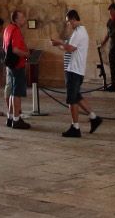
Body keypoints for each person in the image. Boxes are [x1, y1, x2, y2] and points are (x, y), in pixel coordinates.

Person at [48, 9, 102, 138]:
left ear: (73, 19)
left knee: (72, 99)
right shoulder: (78, 32)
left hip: (74, 70)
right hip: (73, 69)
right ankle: (94, 118)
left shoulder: (79, 32)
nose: (68, 25)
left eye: (68, 22)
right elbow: (69, 48)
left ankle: (75, 127)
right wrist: (59, 44)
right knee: (76, 96)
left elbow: (70, 48)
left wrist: (59, 42)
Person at [2, 10, 31, 128]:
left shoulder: (8, 29)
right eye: (22, 18)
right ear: (17, 20)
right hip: (18, 64)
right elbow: (15, 49)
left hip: (10, 65)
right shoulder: (16, 30)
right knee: (16, 93)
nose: (24, 20)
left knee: (12, 91)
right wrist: (26, 54)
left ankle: (10, 117)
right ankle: (16, 119)